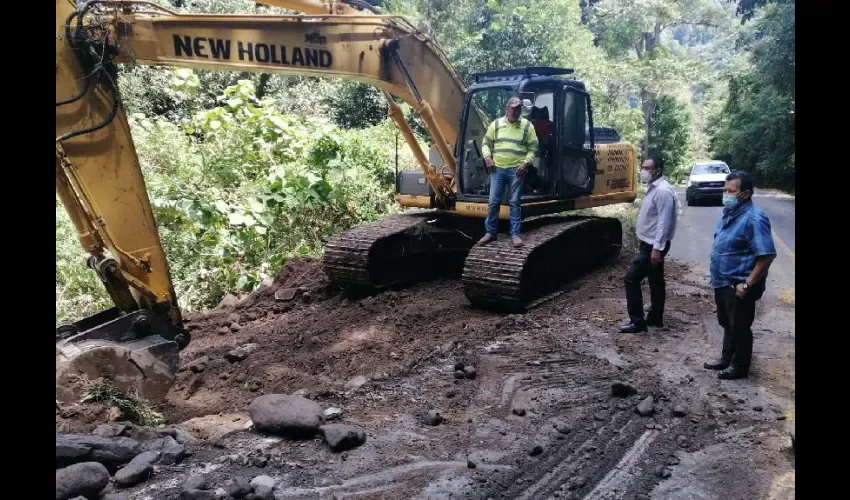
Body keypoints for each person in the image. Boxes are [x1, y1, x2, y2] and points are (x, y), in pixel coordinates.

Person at [704, 170, 776, 380]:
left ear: (745, 194)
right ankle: (727, 358)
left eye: (731, 191)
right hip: (722, 281)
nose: (726, 194)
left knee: (740, 326)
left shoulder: (754, 218)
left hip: (739, 284)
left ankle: (740, 366)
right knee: (727, 323)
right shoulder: (729, 213)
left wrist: (747, 284)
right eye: (725, 190)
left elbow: (766, 255)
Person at [620, 154, 678, 333]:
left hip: (653, 245)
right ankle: (655, 316)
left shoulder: (662, 191)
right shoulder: (654, 188)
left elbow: (664, 222)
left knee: (631, 278)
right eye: (643, 168)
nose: (643, 172)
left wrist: (657, 249)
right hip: (649, 243)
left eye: (647, 168)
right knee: (655, 280)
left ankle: (637, 322)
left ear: (657, 170)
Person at [477, 96, 539, 247]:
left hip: (516, 170)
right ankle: (490, 232)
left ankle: (515, 234)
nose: (516, 111)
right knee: (493, 202)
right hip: (497, 169)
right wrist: (487, 157)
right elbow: (485, 143)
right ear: (507, 108)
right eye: (513, 108)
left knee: (514, 202)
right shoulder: (496, 124)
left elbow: (533, 148)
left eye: (518, 108)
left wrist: (525, 163)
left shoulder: (527, 126)